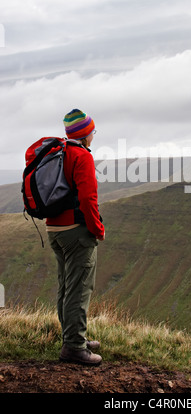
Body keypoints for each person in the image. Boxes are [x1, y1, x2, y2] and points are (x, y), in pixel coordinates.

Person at [47, 109, 105, 366]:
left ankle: (73, 337)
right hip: (76, 232)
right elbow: (87, 199)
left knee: (66, 287)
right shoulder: (81, 156)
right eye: (92, 131)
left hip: (54, 230)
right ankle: (74, 347)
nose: (94, 134)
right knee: (79, 290)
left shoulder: (59, 153)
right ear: (84, 135)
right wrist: (97, 229)